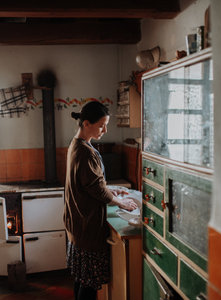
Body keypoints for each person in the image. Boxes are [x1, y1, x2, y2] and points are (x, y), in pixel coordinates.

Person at [63, 101, 138, 300]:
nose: (105, 130)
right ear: (86, 123)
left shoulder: (76, 144)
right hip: (87, 227)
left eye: (106, 124)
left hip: (78, 225)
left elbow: (88, 183)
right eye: (101, 125)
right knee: (88, 286)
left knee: (81, 279)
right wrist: (120, 202)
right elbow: (96, 188)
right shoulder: (85, 152)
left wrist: (112, 189)